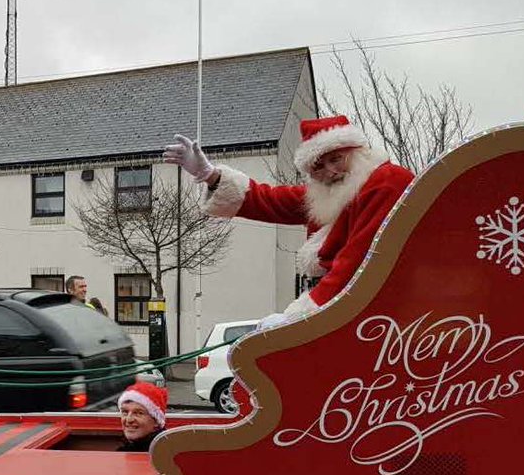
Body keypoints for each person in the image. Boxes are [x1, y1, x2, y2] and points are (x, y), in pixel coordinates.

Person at [165, 116, 414, 323]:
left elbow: (360, 260)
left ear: (358, 151)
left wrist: (301, 317)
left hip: (375, 312)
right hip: (346, 308)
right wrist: (210, 175)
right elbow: (270, 200)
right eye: (318, 167)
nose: (330, 171)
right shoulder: (330, 195)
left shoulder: (386, 182)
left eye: (336, 159)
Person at [116, 380, 167, 452]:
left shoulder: (164, 454)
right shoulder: (127, 449)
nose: (129, 419)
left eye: (139, 413)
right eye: (125, 412)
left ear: (156, 421)